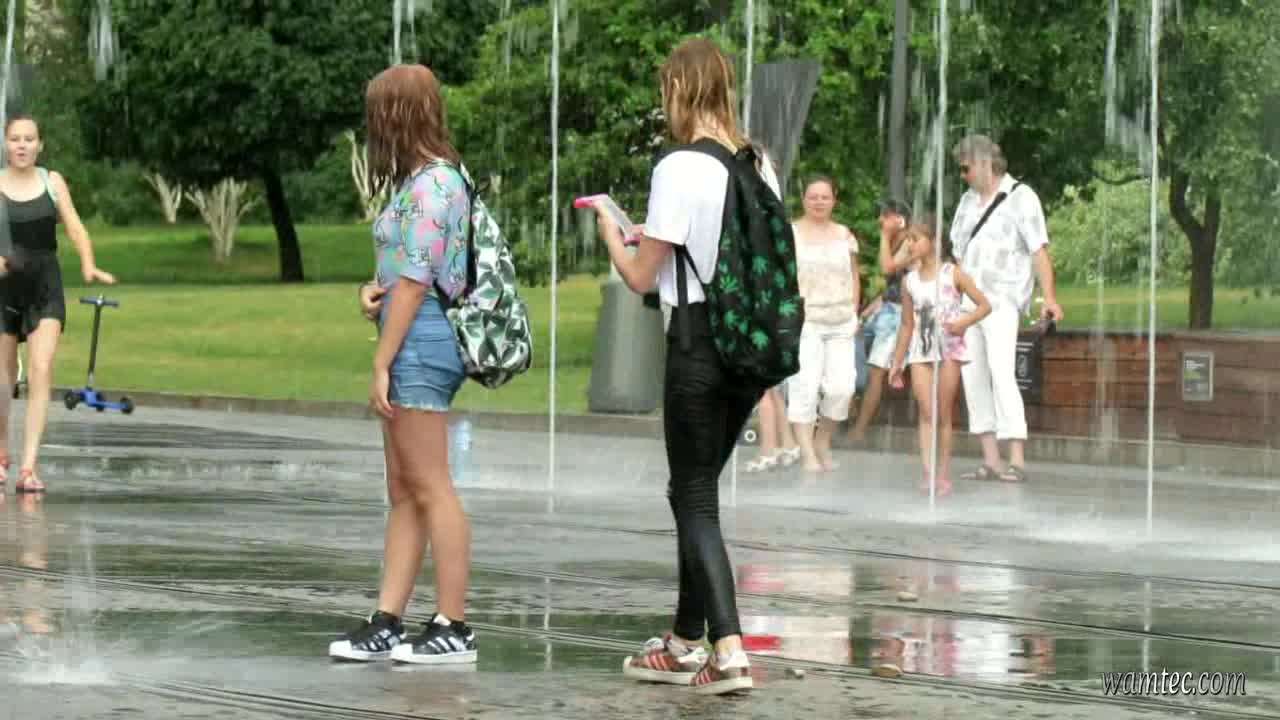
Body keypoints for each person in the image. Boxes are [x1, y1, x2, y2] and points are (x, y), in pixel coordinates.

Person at [590, 37, 772, 696]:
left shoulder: (678, 166)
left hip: (697, 344)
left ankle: (728, 650)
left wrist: (614, 237)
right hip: (750, 350)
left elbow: (643, 276)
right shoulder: (758, 162)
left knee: (694, 496)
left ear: (679, 90)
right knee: (692, 492)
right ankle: (683, 640)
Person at [330, 64, 477, 665]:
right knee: (405, 488)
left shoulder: (437, 182)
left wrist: (381, 362)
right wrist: (373, 291)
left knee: (431, 484)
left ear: (395, 116)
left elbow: (418, 282)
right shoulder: (419, 180)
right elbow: (403, 272)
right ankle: (388, 618)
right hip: (406, 331)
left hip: (421, 340)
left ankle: (454, 624)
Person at [0, 113, 115, 495]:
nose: (22, 145)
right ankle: (1, 454)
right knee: (3, 380)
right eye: (15, 138)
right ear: (5, 144)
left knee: (41, 368)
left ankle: (28, 467)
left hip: (45, 286)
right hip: (4, 288)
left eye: (29, 138)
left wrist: (88, 263)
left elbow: (75, 227)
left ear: (40, 145)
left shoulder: (52, 182)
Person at [948, 135, 1063, 483]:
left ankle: (1017, 458)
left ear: (985, 162)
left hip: (1001, 300)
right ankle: (990, 460)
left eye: (966, 168)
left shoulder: (1021, 197)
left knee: (1002, 373)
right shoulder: (967, 202)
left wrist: (1050, 298)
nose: (963, 175)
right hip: (968, 303)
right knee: (973, 377)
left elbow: (1038, 251)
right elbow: (958, 254)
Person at [888, 224, 990, 494]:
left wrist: (964, 321)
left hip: (949, 350)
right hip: (920, 352)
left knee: (943, 414)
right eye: (908, 239)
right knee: (926, 412)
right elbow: (907, 324)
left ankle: (943, 472)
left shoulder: (952, 274)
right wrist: (897, 362)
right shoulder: (909, 281)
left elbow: (984, 306)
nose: (910, 244)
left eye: (915, 239)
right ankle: (928, 472)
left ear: (933, 241)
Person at [786, 176, 859, 472]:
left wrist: (854, 310)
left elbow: (854, 274)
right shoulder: (790, 234)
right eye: (813, 197)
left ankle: (822, 441)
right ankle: (807, 452)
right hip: (805, 321)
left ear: (834, 200)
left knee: (842, 388)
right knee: (805, 386)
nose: (819, 202)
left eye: (825, 197)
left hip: (841, 320)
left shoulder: (844, 234)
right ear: (804, 199)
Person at [849, 199, 913, 441]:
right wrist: (864, 314)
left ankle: (860, 430)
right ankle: (853, 399)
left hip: (902, 313)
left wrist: (885, 237)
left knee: (877, 369)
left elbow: (887, 268)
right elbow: (890, 286)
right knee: (852, 339)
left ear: (900, 219)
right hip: (887, 308)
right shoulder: (894, 241)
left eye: (885, 216)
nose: (880, 220)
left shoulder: (910, 242)